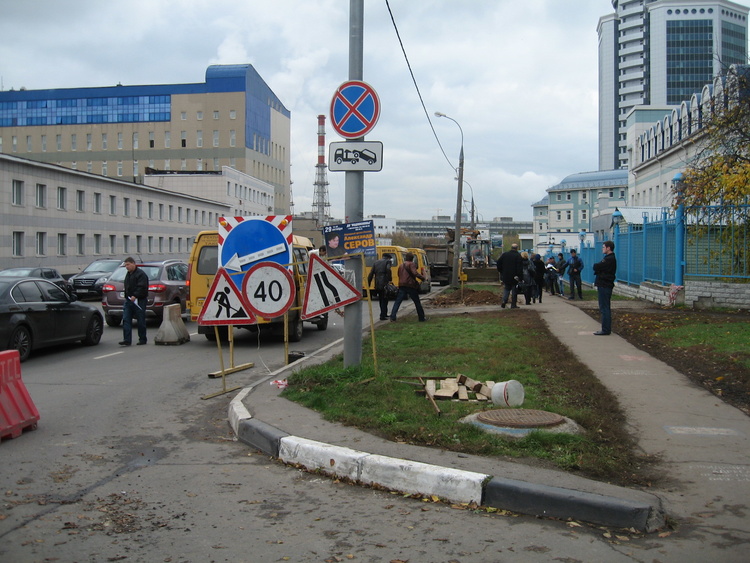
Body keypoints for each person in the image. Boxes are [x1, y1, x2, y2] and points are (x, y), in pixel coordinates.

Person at [119, 257, 149, 346]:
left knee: (140, 320)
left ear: (133, 263)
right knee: (126, 319)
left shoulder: (141, 274)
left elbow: (142, 287)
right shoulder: (128, 274)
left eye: (128, 264)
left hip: (139, 301)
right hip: (129, 301)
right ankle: (127, 339)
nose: (126, 267)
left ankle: (142, 339)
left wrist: (135, 295)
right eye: (125, 265)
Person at [389, 252, 427, 322]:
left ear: (406, 258)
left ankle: (393, 317)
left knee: (398, 301)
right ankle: (421, 317)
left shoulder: (401, 265)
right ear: (412, 259)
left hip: (402, 284)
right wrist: (423, 278)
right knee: (417, 302)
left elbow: (398, 274)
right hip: (410, 285)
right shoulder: (411, 264)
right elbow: (414, 273)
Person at [593, 240, 617, 335]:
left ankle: (606, 329)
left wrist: (599, 269)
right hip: (604, 285)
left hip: (605, 285)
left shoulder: (609, 259)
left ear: (608, 248)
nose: (602, 249)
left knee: (604, 307)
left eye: (604, 247)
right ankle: (605, 328)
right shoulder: (608, 258)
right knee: (604, 307)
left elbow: (596, 266)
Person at [496, 243, 523, 308]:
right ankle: (513, 304)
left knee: (507, 289)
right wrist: (520, 277)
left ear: (511, 248)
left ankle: (504, 301)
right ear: (517, 248)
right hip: (514, 276)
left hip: (506, 275)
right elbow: (519, 267)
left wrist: (501, 271)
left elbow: (498, 263)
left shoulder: (505, 255)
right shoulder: (518, 256)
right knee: (514, 290)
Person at [368, 253, 393, 321]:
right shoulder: (388, 262)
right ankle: (383, 315)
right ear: (388, 258)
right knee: (385, 299)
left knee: (381, 299)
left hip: (377, 283)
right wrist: (390, 278)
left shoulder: (376, 262)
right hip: (384, 283)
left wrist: (368, 283)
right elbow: (388, 269)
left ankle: (383, 314)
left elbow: (371, 273)